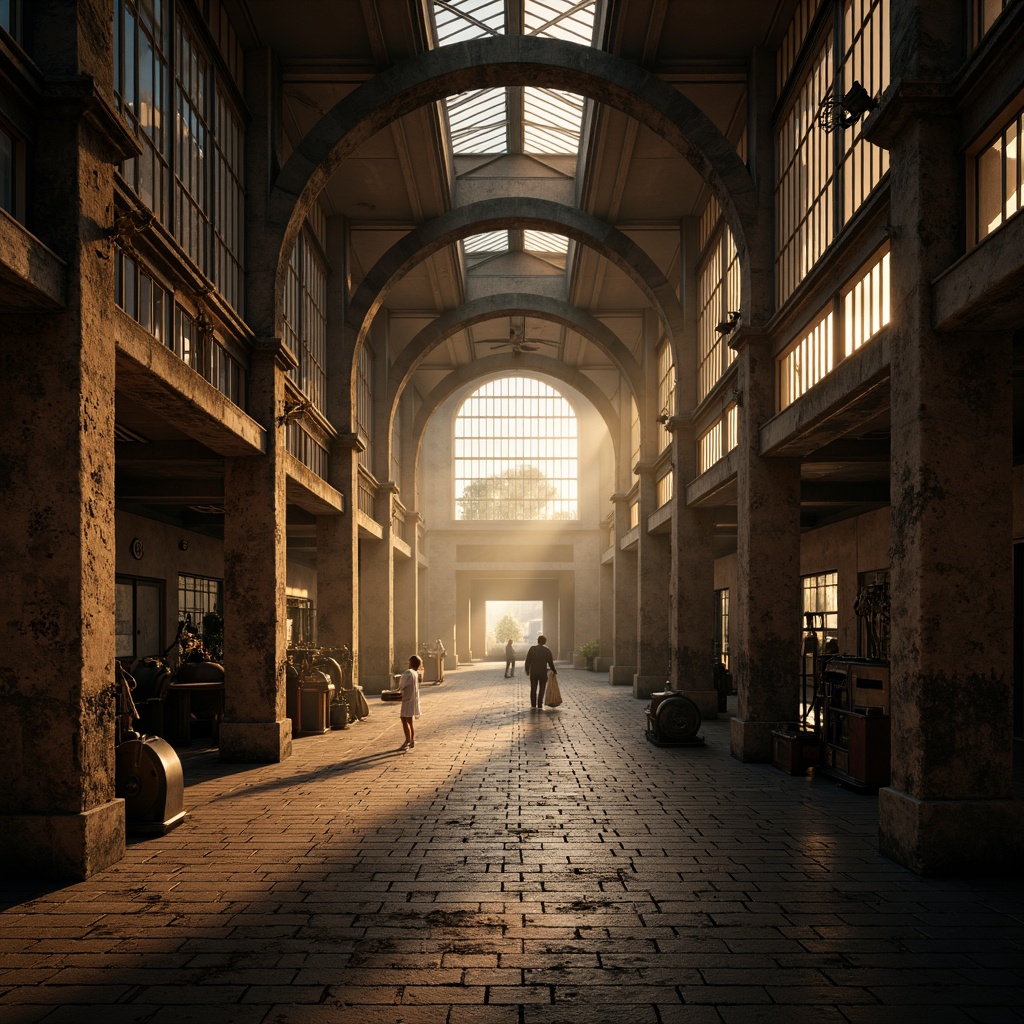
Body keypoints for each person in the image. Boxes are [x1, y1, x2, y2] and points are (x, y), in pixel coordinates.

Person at [523, 634, 555, 709]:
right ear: (545, 642)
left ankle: (533, 704)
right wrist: (554, 670)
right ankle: (540, 704)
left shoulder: (532, 649)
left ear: (538, 641)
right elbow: (550, 662)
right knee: (542, 688)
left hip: (533, 672)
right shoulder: (547, 650)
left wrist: (527, 670)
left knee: (533, 688)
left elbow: (528, 660)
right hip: (543, 672)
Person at [399, 654, 422, 749]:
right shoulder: (415, 673)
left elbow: (402, 684)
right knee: (409, 720)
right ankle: (412, 739)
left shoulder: (408, 672)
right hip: (413, 699)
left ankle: (408, 740)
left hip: (407, 699)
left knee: (404, 719)